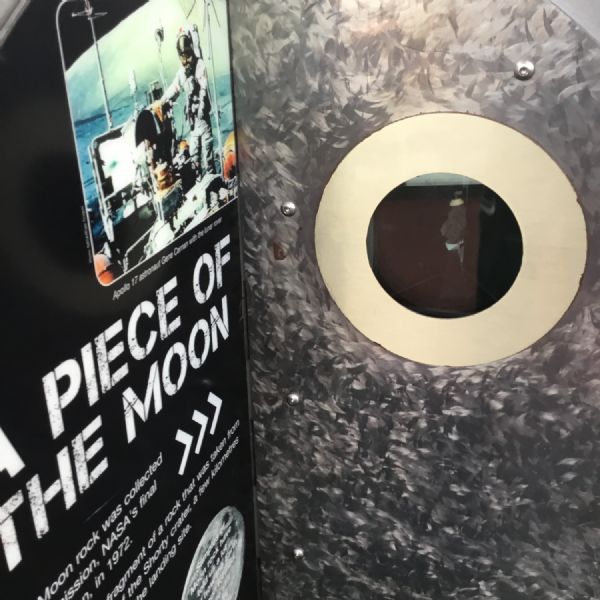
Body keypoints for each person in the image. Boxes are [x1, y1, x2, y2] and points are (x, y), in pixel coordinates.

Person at [160, 28, 215, 179]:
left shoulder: (199, 65)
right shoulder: (181, 73)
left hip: (202, 119)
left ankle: (212, 179)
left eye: (188, 56)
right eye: (182, 57)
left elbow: (203, 87)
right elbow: (174, 88)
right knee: (194, 153)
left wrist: (201, 107)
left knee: (207, 151)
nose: (186, 61)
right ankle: (198, 179)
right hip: (193, 123)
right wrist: (162, 101)